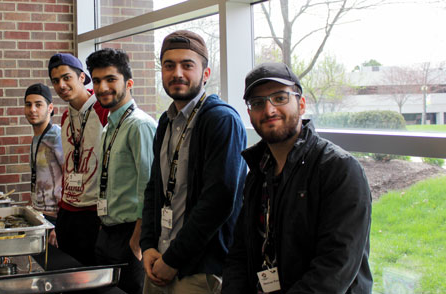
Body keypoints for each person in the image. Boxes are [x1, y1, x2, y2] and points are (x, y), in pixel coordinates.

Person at [222, 62, 372, 293]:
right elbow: (241, 251)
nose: (269, 110)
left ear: (301, 104)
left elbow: (334, 269)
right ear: (250, 112)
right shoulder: (258, 172)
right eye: (258, 103)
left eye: (280, 98)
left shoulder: (339, 170)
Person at [140, 30, 248, 294]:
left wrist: (174, 259)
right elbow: (155, 187)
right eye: (169, 65)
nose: (177, 73)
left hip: (198, 269)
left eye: (187, 65)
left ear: (206, 74)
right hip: (159, 259)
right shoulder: (166, 121)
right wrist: (148, 246)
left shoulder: (221, 120)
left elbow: (219, 201)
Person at [86, 48, 157, 294]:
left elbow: (150, 186)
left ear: (129, 83)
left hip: (130, 236)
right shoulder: (110, 126)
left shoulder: (140, 125)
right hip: (107, 231)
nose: (102, 87)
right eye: (96, 81)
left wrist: (137, 241)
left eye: (110, 79)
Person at [48, 53, 108, 266]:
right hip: (68, 212)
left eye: (67, 78)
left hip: (94, 214)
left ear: (82, 77)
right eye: (56, 81)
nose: (61, 85)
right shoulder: (65, 117)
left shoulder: (103, 110)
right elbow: (68, 168)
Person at [24, 83, 64, 246]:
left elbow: (71, 179)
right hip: (40, 217)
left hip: (56, 220)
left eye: (38, 104)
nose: (32, 109)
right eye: (28, 104)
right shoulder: (36, 138)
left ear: (50, 108)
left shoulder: (57, 136)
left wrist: (61, 224)